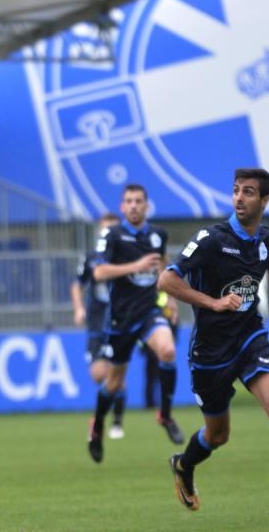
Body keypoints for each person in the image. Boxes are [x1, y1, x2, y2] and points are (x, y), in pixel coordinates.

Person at [158, 168, 269, 522]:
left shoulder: (268, 240)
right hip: (210, 351)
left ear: (264, 200)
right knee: (218, 435)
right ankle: (184, 465)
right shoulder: (211, 239)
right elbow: (166, 279)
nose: (239, 198)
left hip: (249, 337)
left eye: (248, 192)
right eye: (235, 191)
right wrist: (212, 303)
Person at [87, 184, 182, 464]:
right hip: (120, 318)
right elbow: (100, 272)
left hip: (149, 312)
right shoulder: (113, 236)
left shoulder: (157, 235)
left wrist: (172, 299)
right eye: (128, 201)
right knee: (113, 383)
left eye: (138, 201)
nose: (133, 206)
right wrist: (136, 266)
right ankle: (98, 428)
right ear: (122, 206)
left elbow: (164, 266)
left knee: (167, 351)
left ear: (146, 205)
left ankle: (164, 414)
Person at [70, 213, 126, 438]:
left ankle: (115, 422)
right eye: (104, 230)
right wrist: (78, 308)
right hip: (95, 322)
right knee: (98, 374)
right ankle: (107, 418)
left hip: (119, 322)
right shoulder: (91, 257)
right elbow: (76, 286)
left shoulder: (126, 258)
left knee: (113, 372)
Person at [142, 291, 179, 409]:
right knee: (151, 377)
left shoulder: (167, 299)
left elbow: (174, 323)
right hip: (151, 348)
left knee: (162, 375)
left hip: (162, 341)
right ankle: (150, 403)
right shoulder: (150, 300)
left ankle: (164, 404)